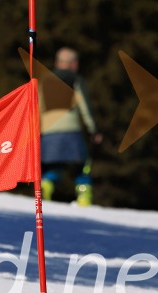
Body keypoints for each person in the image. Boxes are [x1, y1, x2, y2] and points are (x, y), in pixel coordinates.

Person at [39, 47, 102, 206]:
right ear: (74, 64)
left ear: (57, 62)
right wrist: (94, 130)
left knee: (52, 166)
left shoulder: (43, 81)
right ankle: (84, 196)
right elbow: (85, 106)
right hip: (71, 131)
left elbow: (37, 107)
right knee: (82, 167)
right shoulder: (75, 80)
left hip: (48, 132)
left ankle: (46, 185)